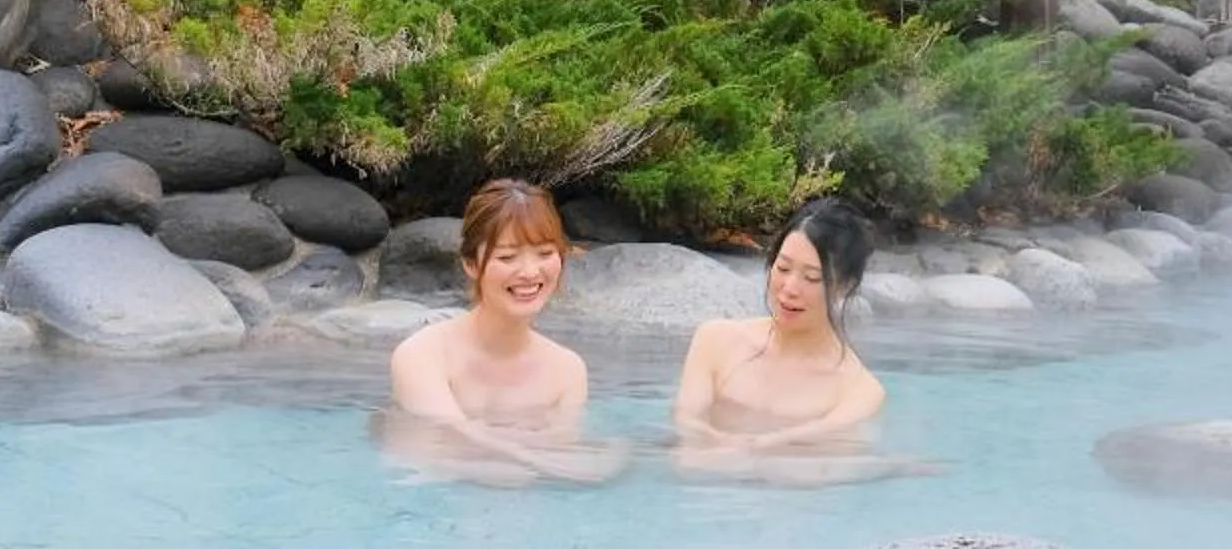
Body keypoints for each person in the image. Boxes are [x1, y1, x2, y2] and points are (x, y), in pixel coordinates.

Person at [379, 178, 625, 487]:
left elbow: (564, 459)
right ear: (470, 263)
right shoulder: (422, 355)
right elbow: (443, 441)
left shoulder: (567, 370)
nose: (530, 272)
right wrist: (531, 456)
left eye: (545, 253)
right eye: (507, 257)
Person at [671, 198, 919, 485]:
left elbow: (826, 462)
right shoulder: (715, 340)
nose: (789, 289)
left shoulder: (858, 391)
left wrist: (741, 448)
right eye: (783, 268)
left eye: (812, 278)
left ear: (845, 286)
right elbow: (687, 425)